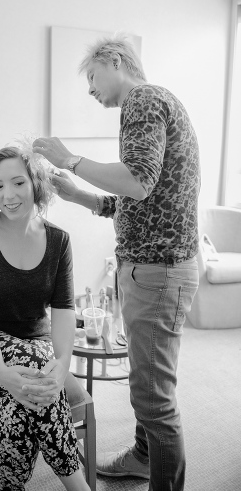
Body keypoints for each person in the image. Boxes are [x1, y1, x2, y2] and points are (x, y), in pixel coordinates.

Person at [33, 34, 200, 490]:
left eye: (91, 76)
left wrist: (70, 159)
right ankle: (144, 459)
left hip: (158, 272)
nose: (89, 89)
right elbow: (135, 202)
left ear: (114, 60)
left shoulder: (143, 100)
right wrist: (78, 192)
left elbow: (139, 182)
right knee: (147, 384)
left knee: (154, 399)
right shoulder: (148, 104)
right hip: (154, 267)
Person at [0, 145, 90, 491]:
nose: (8, 196)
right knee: (32, 379)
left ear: (36, 184)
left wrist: (62, 362)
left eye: (17, 183)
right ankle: (79, 486)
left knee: (23, 394)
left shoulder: (58, 241)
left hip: (35, 345)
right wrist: (2, 373)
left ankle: (5, 486)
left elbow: (63, 311)